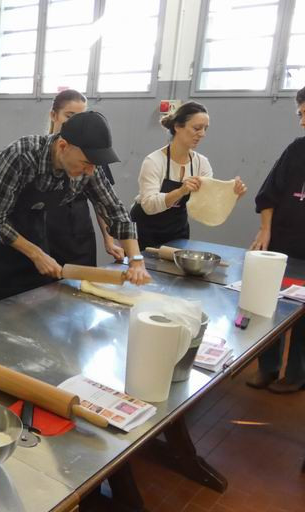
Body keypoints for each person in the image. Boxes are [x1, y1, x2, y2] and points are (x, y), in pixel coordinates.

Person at [0, 111, 151, 310]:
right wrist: (36, 254)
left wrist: (136, 260)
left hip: (33, 237)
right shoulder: (21, 155)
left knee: (30, 312)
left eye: (94, 165)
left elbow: (116, 212)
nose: (90, 171)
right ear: (63, 146)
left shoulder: (89, 169)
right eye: (86, 163)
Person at [246, 86, 305, 393]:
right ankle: (267, 367)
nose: (303, 122)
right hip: (281, 244)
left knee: (303, 318)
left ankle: (296, 375)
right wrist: (265, 229)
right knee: (269, 304)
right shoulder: (296, 149)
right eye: (300, 114)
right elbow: (269, 193)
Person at [131, 101, 247, 249]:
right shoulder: (154, 161)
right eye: (197, 128)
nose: (202, 134)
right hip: (144, 230)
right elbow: (149, 205)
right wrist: (181, 191)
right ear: (178, 127)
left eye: (205, 129)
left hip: (177, 231)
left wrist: (232, 194)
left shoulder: (201, 163)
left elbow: (208, 205)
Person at [47, 90, 125, 263]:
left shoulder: (94, 157)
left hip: (78, 231)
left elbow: (104, 203)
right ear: (54, 115)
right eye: (70, 116)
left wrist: (109, 239)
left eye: (81, 117)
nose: (76, 123)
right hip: (46, 230)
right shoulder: (39, 153)